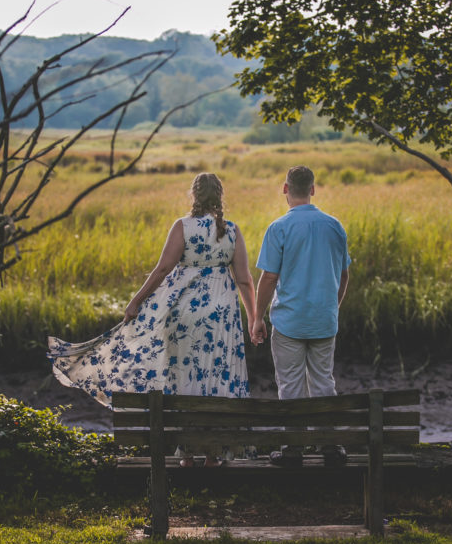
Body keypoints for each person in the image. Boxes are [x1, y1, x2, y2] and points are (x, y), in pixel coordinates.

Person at [48, 173, 256, 463]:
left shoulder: (183, 226)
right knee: (218, 377)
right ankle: (214, 454)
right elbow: (245, 280)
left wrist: (136, 301)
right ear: (220, 197)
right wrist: (254, 318)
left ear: (195, 196)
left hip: (185, 315)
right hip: (222, 316)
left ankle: (186, 454)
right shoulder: (232, 230)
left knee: (184, 377)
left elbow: (162, 270)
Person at [251, 165, 350, 465]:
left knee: (291, 384)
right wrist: (334, 306)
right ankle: (330, 447)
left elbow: (269, 277)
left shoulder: (278, 227)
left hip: (289, 321)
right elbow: (344, 275)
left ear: (285, 189)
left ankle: (293, 449)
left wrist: (258, 318)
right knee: (323, 382)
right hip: (323, 319)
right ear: (313, 189)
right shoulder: (335, 226)